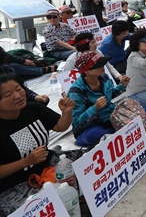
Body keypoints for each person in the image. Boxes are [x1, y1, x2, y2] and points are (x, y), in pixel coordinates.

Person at [0, 72, 74, 216]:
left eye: (19, 88)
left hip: (47, 166)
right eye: (8, 94)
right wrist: (25, 162)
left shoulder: (33, 109)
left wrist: (66, 113)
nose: (18, 95)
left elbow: (60, 127)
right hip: (14, 184)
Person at [67, 52, 125, 147]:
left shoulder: (103, 78)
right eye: (98, 65)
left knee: (141, 110)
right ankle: (118, 131)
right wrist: (94, 108)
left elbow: (110, 95)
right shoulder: (76, 92)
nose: (102, 66)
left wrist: (122, 86)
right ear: (86, 71)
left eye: (102, 64)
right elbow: (76, 122)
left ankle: (115, 133)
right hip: (89, 128)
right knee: (94, 134)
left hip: (109, 119)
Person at [65, 32, 130, 85]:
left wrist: (119, 77)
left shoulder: (97, 52)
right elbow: (66, 79)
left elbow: (108, 65)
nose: (96, 45)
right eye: (93, 42)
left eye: (95, 42)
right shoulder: (71, 60)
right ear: (85, 45)